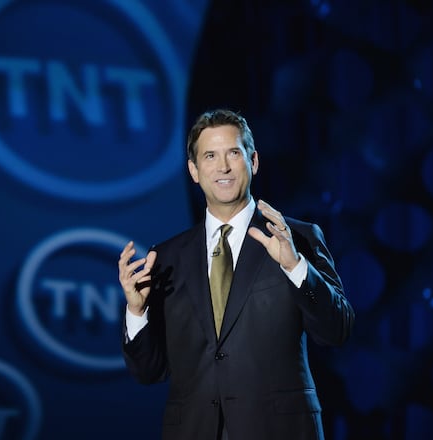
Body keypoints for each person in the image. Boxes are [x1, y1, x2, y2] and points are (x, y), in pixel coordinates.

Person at [118, 109, 354, 440]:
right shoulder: (168, 258)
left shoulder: (295, 238)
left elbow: (337, 331)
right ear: (194, 171)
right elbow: (149, 371)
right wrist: (137, 312)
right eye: (210, 156)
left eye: (233, 153)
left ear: (253, 161)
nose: (223, 167)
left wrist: (296, 267)